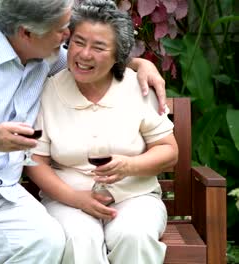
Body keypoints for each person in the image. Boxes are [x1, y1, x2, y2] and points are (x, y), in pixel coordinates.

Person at [0, 0, 169, 263]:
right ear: (27, 32)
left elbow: (95, 58)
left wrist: (142, 64)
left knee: (46, 242)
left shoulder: (44, 55)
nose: (68, 35)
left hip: (1, 192)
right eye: (62, 29)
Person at [24, 1, 179, 263]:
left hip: (135, 196)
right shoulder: (48, 90)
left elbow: (169, 151)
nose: (84, 54)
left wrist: (130, 165)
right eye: (78, 42)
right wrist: (75, 198)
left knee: (135, 235)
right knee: (78, 239)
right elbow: (35, 161)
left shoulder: (137, 87)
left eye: (98, 47)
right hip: (67, 199)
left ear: (119, 54)